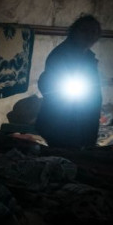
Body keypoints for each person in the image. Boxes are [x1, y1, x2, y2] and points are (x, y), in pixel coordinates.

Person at [35, 14, 103, 149]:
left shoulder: (89, 57)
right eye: (84, 30)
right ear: (75, 31)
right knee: (66, 157)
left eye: (93, 32)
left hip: (84, 123)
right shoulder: (60, 55)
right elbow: (49, 87)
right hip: (62, 124)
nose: (89, 35)